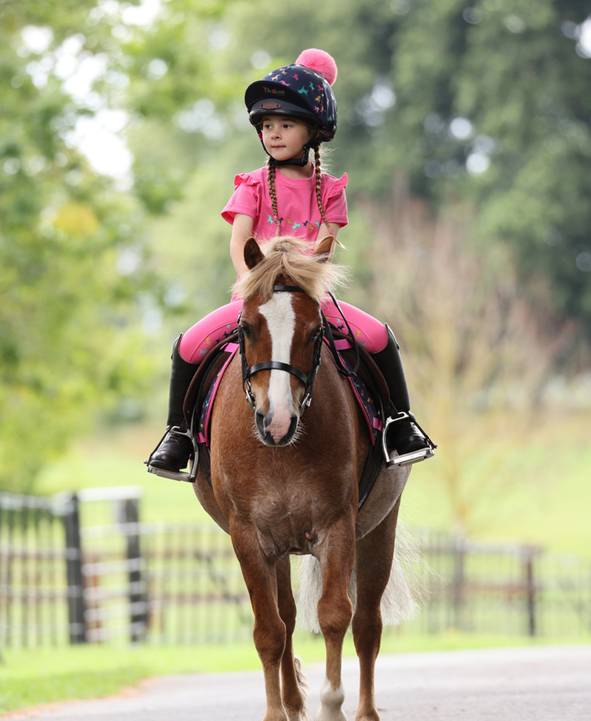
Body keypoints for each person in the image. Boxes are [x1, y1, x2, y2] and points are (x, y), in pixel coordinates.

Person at [147, 48, 435, 480]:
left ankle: (400, 422)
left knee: (378, 337)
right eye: (266, 126)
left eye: (286, 125)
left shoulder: (329, 190)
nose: (274, 134)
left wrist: (301, 283)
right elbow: (240, 242)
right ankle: (178, 434)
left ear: (313, 132)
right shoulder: (252, 184)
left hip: (310, 296)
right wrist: (254, 284)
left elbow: (326, 247)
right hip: (258, 295)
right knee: (188, 345)